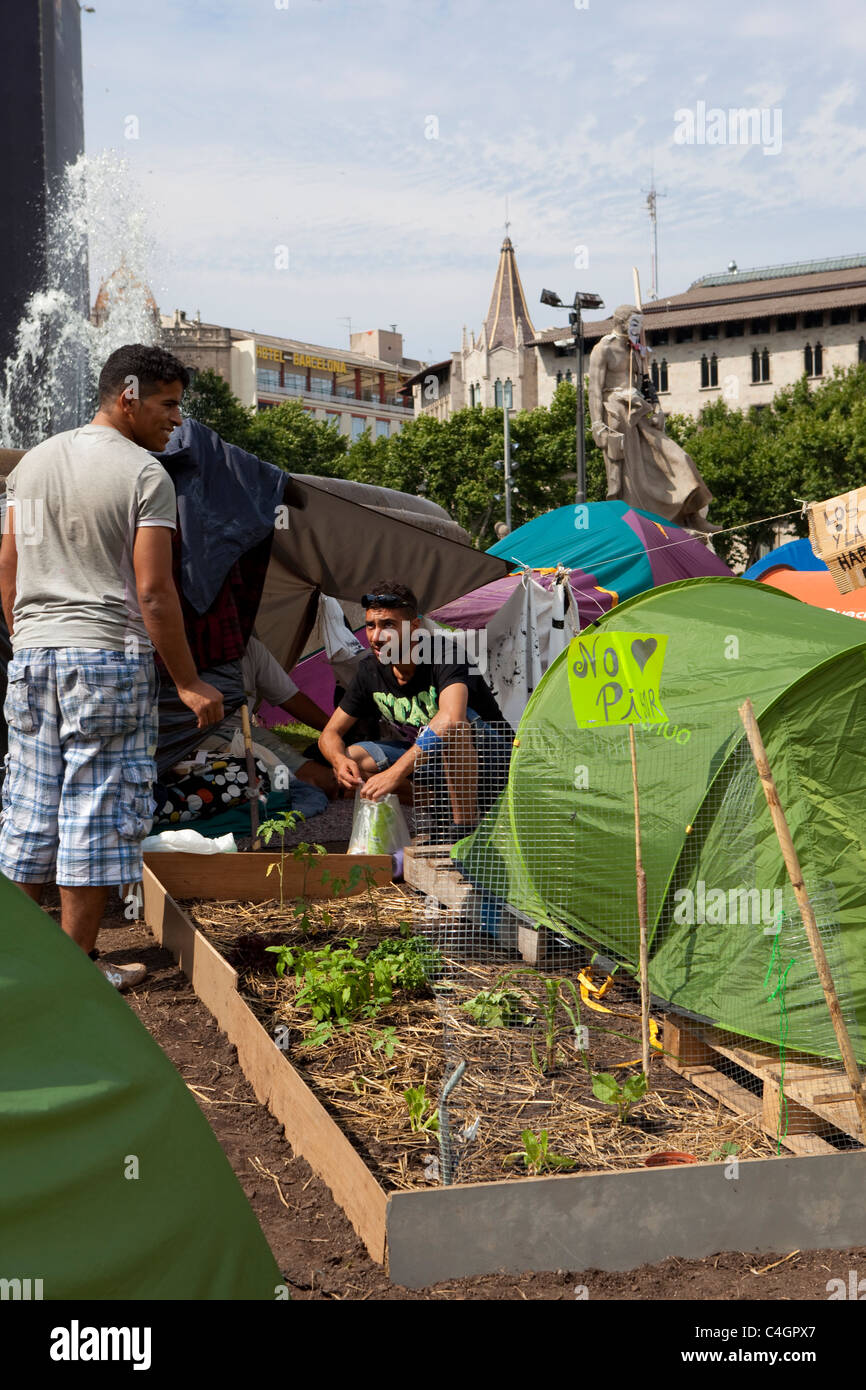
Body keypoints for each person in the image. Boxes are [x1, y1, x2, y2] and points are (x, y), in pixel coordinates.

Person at [0, 343, 224, 990]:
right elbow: (153, 593)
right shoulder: (145, 476)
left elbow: (8, 569)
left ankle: (17, 972)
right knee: (93, 817)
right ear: (127, 393)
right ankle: (72, 982)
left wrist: (28, 639)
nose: (176, 419)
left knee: (29, 811)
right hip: (105, 659)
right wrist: (186, 680)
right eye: (168, 403)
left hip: (33, 659)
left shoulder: (32, 466)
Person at [318, 581, 503, 835]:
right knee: (352, 758)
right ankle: (438, 804)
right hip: (432, 760)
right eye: (371, 625)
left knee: (455, 728)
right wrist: (338, 761)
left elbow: (451, 719)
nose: (375, 636)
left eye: (388, 625)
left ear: (414, 627)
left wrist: (395, 773)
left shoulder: (446, 654)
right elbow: (329, 734)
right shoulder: (369, 670)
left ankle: (465, 832)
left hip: (491, 758)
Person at [588, 303, 717, 533]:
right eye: (635, 323)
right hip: (617, 415)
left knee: (679, 458)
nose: (639, 329)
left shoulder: (637, 350)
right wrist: (597, 425)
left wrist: (657, 406)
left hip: (641, 413)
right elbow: (594, 390)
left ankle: (691, 513)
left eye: (641, 325)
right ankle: (639, 523)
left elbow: (647, 385)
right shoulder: (603, 349)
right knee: (631, 478)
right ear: (621, 322)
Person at [198, 635, 335, 796]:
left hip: (245, 733)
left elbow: (290, 697)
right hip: (197, 737)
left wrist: (335, 732)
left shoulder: (249, 647)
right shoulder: (180, 646)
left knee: (326, 780)